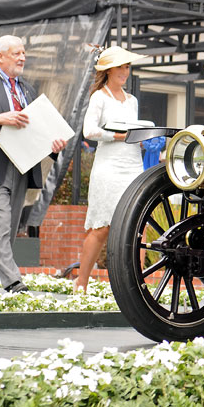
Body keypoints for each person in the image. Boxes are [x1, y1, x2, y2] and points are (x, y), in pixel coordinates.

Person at [0, 35, 68, 294]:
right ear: (1, 57)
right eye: (17, 53)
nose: (22, 57)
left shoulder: (28, 90)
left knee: (5, 231)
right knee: (1, 227)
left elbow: (36, 130)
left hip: (22, 168)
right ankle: (13, 281)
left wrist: (52, 148)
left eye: (23, 53)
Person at [74, 46, 147, 292]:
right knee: (102, 227)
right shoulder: (99, 97)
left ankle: (138, 286)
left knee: (139, 225)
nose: (125, 72)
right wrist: (117, 135)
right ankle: (81, 283)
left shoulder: (132, 101)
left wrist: (142, 137)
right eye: (120, 67)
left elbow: (133, 131)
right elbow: (89, 131)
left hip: (133, 165)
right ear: (108, 70)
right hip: (108, 167)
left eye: (127, 67)